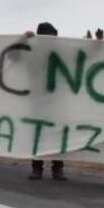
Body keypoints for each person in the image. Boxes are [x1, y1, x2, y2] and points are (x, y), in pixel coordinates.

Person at [28, 22, 67, 181]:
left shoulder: (61, 51)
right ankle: (37, 168)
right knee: (38, 135)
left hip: (56, 102)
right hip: (37, 102)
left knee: (56, 135)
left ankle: (58, 168)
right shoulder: (32, 52)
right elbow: (12, 56)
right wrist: (25, 40)